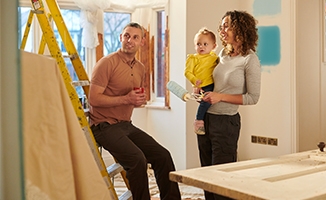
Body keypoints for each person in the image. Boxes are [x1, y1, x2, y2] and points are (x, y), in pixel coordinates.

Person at [88, 22, 181, 200]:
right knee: (138, 160)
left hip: (126, 125)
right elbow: (94, 99)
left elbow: (132, 98)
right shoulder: (106, 63)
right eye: (126, 36)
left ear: (142, 42)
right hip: (103, 127)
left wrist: (137, 100)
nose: (130, 40)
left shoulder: (140, 68)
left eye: (135, 37)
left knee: (163, 156)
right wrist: (126, 99)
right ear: (120, 38)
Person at [199, 10, 261, 200]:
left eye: (227, 25)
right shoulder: (222, 54)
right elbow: (215, 85)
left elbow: (252, 97)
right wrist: (200, 89)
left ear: (241, 29)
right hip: (206, 119)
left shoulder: (250, 60)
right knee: (207, 175)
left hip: (226, 123)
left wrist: (220, 97)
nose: (222, 29)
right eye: (222, 25)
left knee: (222, 179)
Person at [184, 27, 219, 135]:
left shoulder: (214, 57)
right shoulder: (193, 58)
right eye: (198, 44)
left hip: (213, 84)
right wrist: (195, 81)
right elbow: (187, 72)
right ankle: (198, 121)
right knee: (204, 103)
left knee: (209, 102)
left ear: (213, 46)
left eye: (205, 44)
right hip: (203, 85)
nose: (201, 47)